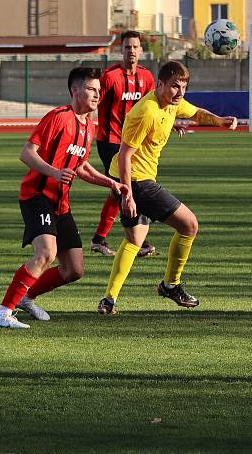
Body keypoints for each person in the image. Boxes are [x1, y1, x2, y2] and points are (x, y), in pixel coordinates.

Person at [0, 67, 129, 329]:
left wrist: (110, 182)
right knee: (46, 254)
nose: (97, 95)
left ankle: (27, 297)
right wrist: (54, 172)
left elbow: (81, 167)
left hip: (60, 203)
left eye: (99, 91)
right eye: (91, 89)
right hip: (37, 195)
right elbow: (27, 153)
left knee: (74, 269)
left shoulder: (89, 126)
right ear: (75, 90)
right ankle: (2, 313)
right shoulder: (57, 117)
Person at [98, 61, 237, 316]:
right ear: (159, 84)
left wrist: (218, 121)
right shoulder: (146, 111)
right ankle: (170, 285)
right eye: (174, 86)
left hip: (133, 180)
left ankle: (109, 299)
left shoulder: (172, 103)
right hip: (138, 182)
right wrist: (128, 194)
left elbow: (195, 113)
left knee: (135, 240)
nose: (180, 92)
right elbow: (125, 155)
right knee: (189, 225)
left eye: (183, 86)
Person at [90, 31, 157, 258]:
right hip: (109, 141)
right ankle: (139, 239)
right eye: (127, 47)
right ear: (122, 50)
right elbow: (93, 105)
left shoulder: (147, 78)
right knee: (126, 188)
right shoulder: (109, 77)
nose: (131, 51)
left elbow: (154, 106)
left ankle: (99, 239)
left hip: (132, 143)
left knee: (117, 191)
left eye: (135, 47)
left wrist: (172, 123)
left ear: (141, 50)